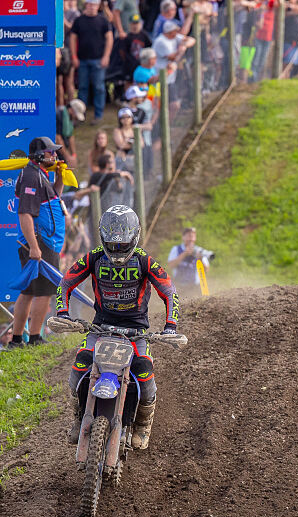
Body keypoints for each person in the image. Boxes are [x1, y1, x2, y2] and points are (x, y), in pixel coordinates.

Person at [55, 205, 179, 450]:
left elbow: (169, 292)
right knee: (81, 364)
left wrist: (170, 327)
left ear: (134, 238)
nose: (118, 250)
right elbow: (67, 281)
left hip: (136, 331)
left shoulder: (145, 261)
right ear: (103, 239)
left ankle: (143, 424)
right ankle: (79, 417)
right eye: (113, 245)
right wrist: (62, 313)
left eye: (123, 245)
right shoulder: (94, 257)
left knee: (143, 368)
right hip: (101, 327)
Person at [7, 138, 67, 348]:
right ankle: (34, 338)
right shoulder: (32, 177)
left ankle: (16, 339)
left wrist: (59, 179)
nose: (56, 157)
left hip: (44, 242)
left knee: (29, 291)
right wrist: (34, 246)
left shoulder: (40, 175)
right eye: (52, 153)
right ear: (40, 155)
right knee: (43, 291)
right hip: (40, 243)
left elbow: (52, 201)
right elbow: (25, 213)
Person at [70, 0, 115, 121]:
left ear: (98, 6)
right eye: (89, 4)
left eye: (94, 5)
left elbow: (109, 38)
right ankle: (80, 115)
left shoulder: (103, 21)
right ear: (85, 5)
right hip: (82, 60)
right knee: (82, 88)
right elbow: (73, 39)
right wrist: (74, 56)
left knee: (99, 88)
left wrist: (106, 56)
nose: (91, 7)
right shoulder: (79, 21)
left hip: (98, 60)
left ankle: (98, 114)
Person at [167, 226, 213, 295]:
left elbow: (206, 270)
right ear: (183, 237)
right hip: (179, 287)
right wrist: (184, 254)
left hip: (195, 287)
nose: (191, 239)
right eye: (189, 236)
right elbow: (170, 265)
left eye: (193, 236)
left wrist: (200, 259)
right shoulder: (176, 249)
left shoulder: (199, 250)